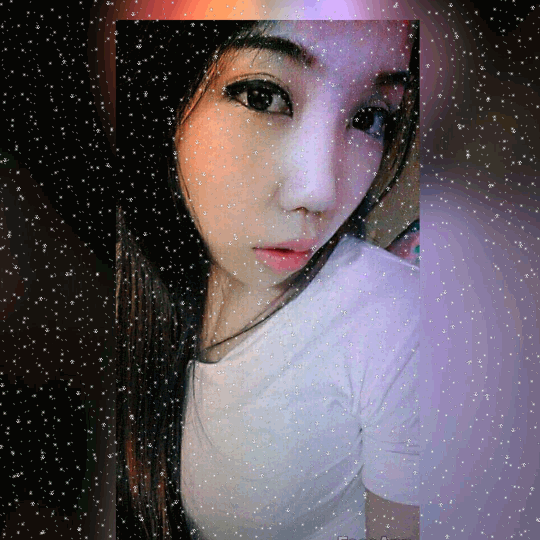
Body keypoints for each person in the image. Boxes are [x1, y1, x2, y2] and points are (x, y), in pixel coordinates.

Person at [116, 20, 420, 540]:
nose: (319, 194)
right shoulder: (124, 297)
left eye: (369, 118)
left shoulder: (398, 325)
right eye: (263, 96)